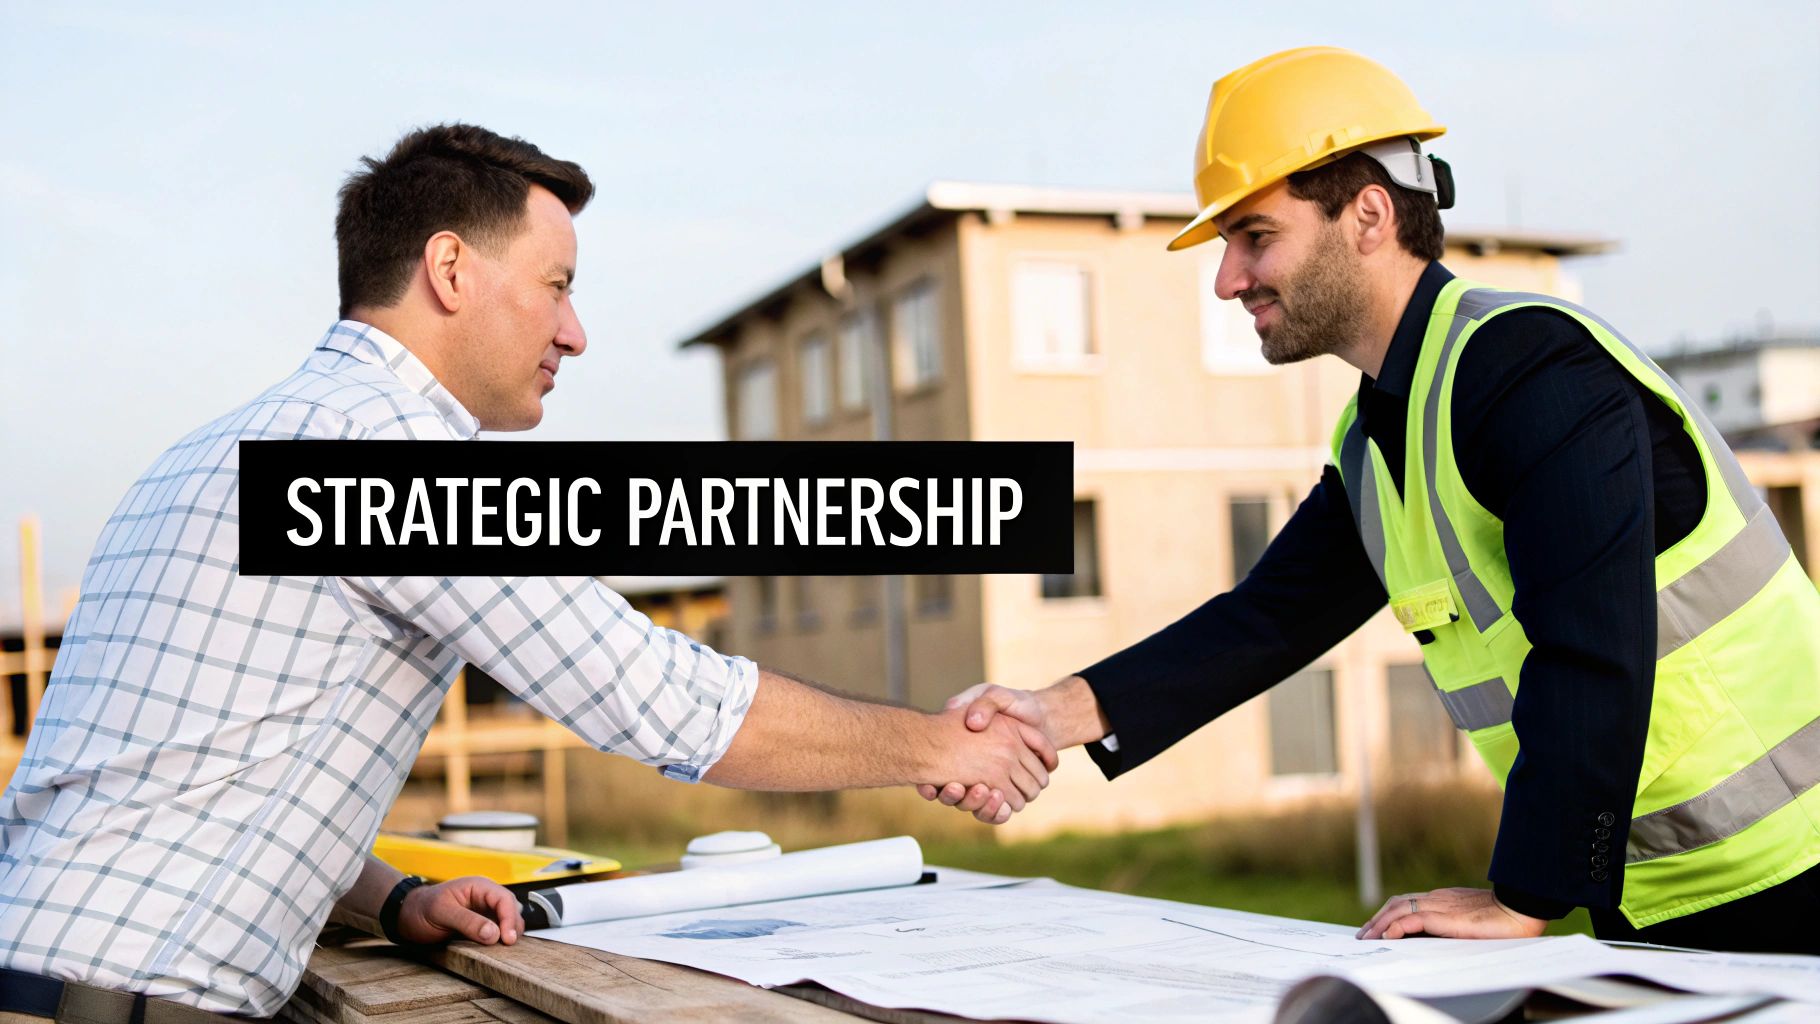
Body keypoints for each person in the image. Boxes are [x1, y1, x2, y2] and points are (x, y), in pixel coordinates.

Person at [0, 124, 1055, 1019]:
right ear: (451, 270)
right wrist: (931, 743)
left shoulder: (207, 451)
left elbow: (201, 767)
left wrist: (392, 896)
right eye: (557, 286)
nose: (576, 332)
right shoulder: (391, 457)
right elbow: (659, 702)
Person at [927, 46, 1820, 954]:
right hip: (1670, 894)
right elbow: (1267, 621)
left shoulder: (1536, 374)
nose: (1228, 279)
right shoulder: (1381, 435)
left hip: (1801, 866)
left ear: (1368, 214)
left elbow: (1589, 644)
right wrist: (1051, 714)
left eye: (1255, 236)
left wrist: (1524, 895)